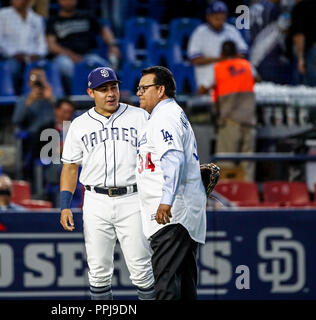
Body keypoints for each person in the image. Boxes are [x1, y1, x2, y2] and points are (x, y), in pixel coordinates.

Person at [60, 67, 155, 300]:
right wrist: (64, 204)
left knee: (142, 271)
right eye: (103, 89)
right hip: (95, 201)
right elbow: (70, 167)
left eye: (113, 87)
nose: (110, 93)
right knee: (98, 274)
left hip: (133, 199)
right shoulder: (79, 125)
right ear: (91, 92)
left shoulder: (140, 116)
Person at [135, 66, 206, 300]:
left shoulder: (164, 117)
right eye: (138, 88)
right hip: (182, 214)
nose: (139, 93)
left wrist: (166, 201)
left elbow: (173, 159)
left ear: (161, 90)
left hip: (170, 215)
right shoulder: (172, 114)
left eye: (145, 88)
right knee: (184, 284)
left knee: (166, 285)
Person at [46, 0, 120, 94]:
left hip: (87, 55)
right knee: (67, 67)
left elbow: (104, 30)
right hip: (64, 57)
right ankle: (76, 97)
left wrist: (112, 45)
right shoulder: (53, 20)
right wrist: (70, 55)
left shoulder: (86, 16)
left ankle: (102, 96)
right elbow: (51, 45)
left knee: (102, 67)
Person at [211, 41, 256, 181]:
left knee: (226, 163)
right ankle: (247, 197)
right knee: (247, 164)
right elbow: (257, 79)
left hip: (230, 121)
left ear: (221, 55)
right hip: (249, 121)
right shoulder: (247, 65)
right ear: (237, 53)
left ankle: (226, 198)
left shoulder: (218, 67)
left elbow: (211, 93)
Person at [187, 1, 248, 94]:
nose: (220, 21)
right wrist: (221, 60)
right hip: (206, 84)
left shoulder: (231, 30)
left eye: (222, 18)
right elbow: (194, 59)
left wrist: (227, 61)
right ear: (208, 17)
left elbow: (243, 53)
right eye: (216, 18)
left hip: (232, 82)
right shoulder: (200, 33)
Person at [0, 0, 48, 94]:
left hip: (32, 57)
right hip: (11, 57)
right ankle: (11, 96)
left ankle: (35, 97)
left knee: (42, 68)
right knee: (12, 68)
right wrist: (13, 53)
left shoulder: (36, 18)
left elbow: (42, 43)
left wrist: (38, 54)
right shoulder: (2, 14)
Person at [12, 66, 54, 180]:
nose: (37, 80)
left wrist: (51, 100)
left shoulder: (52, 98)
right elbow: (16, 120)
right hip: (34, 139)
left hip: (53, 137)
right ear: (28, 82)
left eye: (40, 77)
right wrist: (29, 102)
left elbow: (63, 118)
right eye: (34, 77)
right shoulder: (24, 99)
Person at [249, 0, 292, 84]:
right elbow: (281, 27)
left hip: (254, 49)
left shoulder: (253, 7)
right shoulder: (273, 8)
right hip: (269, 53)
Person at [290, 0, 316, 86]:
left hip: (311, 53)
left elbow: (299, 35)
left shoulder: (299, 8)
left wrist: (300, 58)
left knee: (312, 90)